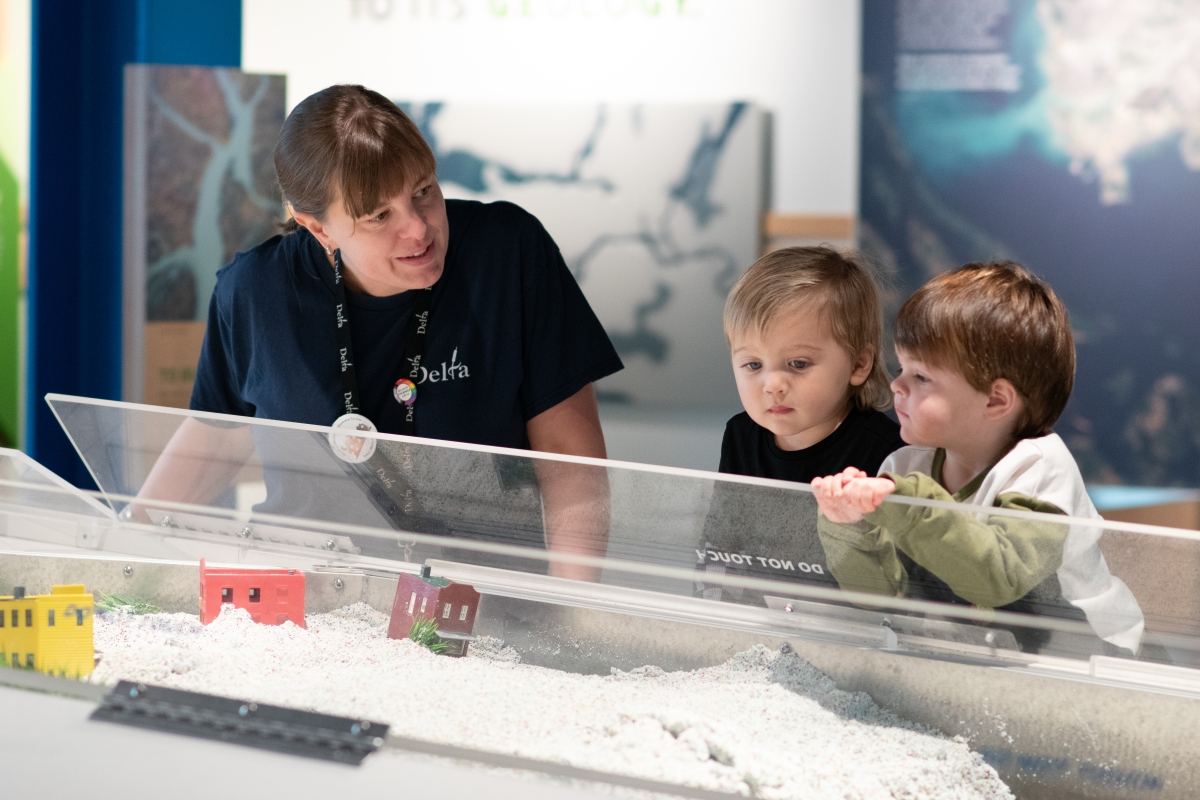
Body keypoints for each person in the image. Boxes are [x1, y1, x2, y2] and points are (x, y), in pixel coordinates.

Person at [134, 85, 623, 579]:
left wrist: (573, 607)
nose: (418, 229)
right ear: (317, 228)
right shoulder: (254, 292)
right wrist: (125, 549)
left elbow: (569, 454)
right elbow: (216, 437)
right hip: (304, 602)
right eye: (379, 216)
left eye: (424, 192)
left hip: (483, 600)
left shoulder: (510, 252)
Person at [812, 262, 1144, 653]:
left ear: (995, 400)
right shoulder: (904, 467)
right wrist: (848, 524)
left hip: (1089, 657)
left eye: (921, 377)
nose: (896, 385)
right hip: (980, 652)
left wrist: (906, 503)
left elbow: (997, 580)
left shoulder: (1039, 467)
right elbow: (882, 596)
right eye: (902, 367)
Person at [695, 246, 903, 603]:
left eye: (798, 364)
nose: (772, 384)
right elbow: (720, 547)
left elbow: (899, 586)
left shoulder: (889, 453)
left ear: (858, 364)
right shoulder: (740, 436)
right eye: (753, 365)